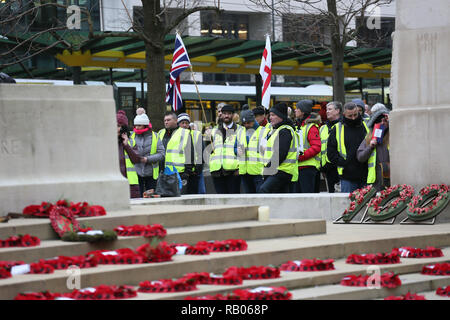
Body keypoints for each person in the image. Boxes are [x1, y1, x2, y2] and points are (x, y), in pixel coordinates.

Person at [327, 102, 369, 193]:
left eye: (355, 114)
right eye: (350, 116)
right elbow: (330, 152)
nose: (353, 118)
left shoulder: (366, 125)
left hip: (366, 174)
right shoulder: (337, 128)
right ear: (344, 114)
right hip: (347, 176)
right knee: (348, 205)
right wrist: (344, 163)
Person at [259, 103, 299, 193]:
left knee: (264, 190)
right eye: (270, 115)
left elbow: (280, 154)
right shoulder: (278, 130)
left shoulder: (284, 131)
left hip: (281, 171)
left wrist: (268, 169)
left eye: (273, 115)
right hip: (278, 171)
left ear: (281, 116)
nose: (270, 118)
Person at [209, 104, 246, 194]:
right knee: (220, 201)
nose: (226, 116)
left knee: (233, 200)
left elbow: (242, 151)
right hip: (217, 171)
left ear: (233, 115)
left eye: (229, 113)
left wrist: (239, 169)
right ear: (221, 114)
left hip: (232, 172)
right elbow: (210, 150)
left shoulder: (240, 130)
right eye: (224, 113)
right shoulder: (214, 130)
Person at [357, 106, 391, 191]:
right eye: (380, 121)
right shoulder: (369, 138)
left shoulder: (393, 135)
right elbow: (360, 157)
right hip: (376, 183)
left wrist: (391, 119)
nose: (383, 123)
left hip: (392, 179)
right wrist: (370, 147)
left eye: (385, 121)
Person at [132, 111, 165, 197]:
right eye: (136, 125)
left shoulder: (155, 136)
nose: (137, 127)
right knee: (137, 198)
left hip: (151, 175)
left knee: (151, 198)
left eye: (139, 125)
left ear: (145, 125)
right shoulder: (131, 136)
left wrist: (148, 159)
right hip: (136, 173)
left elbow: (161, 154)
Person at [293, 100, 321, 193]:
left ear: (303, 112)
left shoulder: (311, 127)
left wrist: (300, 156)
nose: (295, 110)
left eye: (297, 108)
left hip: (307, 168)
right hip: (299, 168)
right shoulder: (299, 126)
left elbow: (316, 147)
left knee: (307, 199)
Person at [240, 109, 267, 193]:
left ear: (253, 120)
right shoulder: (241, 132)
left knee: (260, 199)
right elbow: (234, 147)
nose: (246, 125)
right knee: (249, 200)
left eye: (248, 122)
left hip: (258, 173)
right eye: (244, 123)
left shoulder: (263, 131)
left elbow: (266, 152)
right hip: (245, 172)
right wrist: (237, 151)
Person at [116, 110, 142, 198]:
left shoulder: (131, 141)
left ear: (124, 128)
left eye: (118, 126)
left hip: (131, 184)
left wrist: (126, 145)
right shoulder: (108, 142)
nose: (115, 128)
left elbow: (136, 160)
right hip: (114, 183)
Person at [177, 113, 204, 194]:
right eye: (182, 123)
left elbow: (201, 153)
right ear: (179, 124)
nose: (185, 125)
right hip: (181, 171)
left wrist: (198, 169)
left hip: (194, 172)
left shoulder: (196, 134)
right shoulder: (176, 135)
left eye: (186, 123)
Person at [319, 101, 343, 193]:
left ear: (337, 111)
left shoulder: (343, 126)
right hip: (327, 169)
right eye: (327, 109)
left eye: (330, 109)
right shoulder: (323, 128)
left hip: (340, 167)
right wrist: (322, 166)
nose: (327, 111)